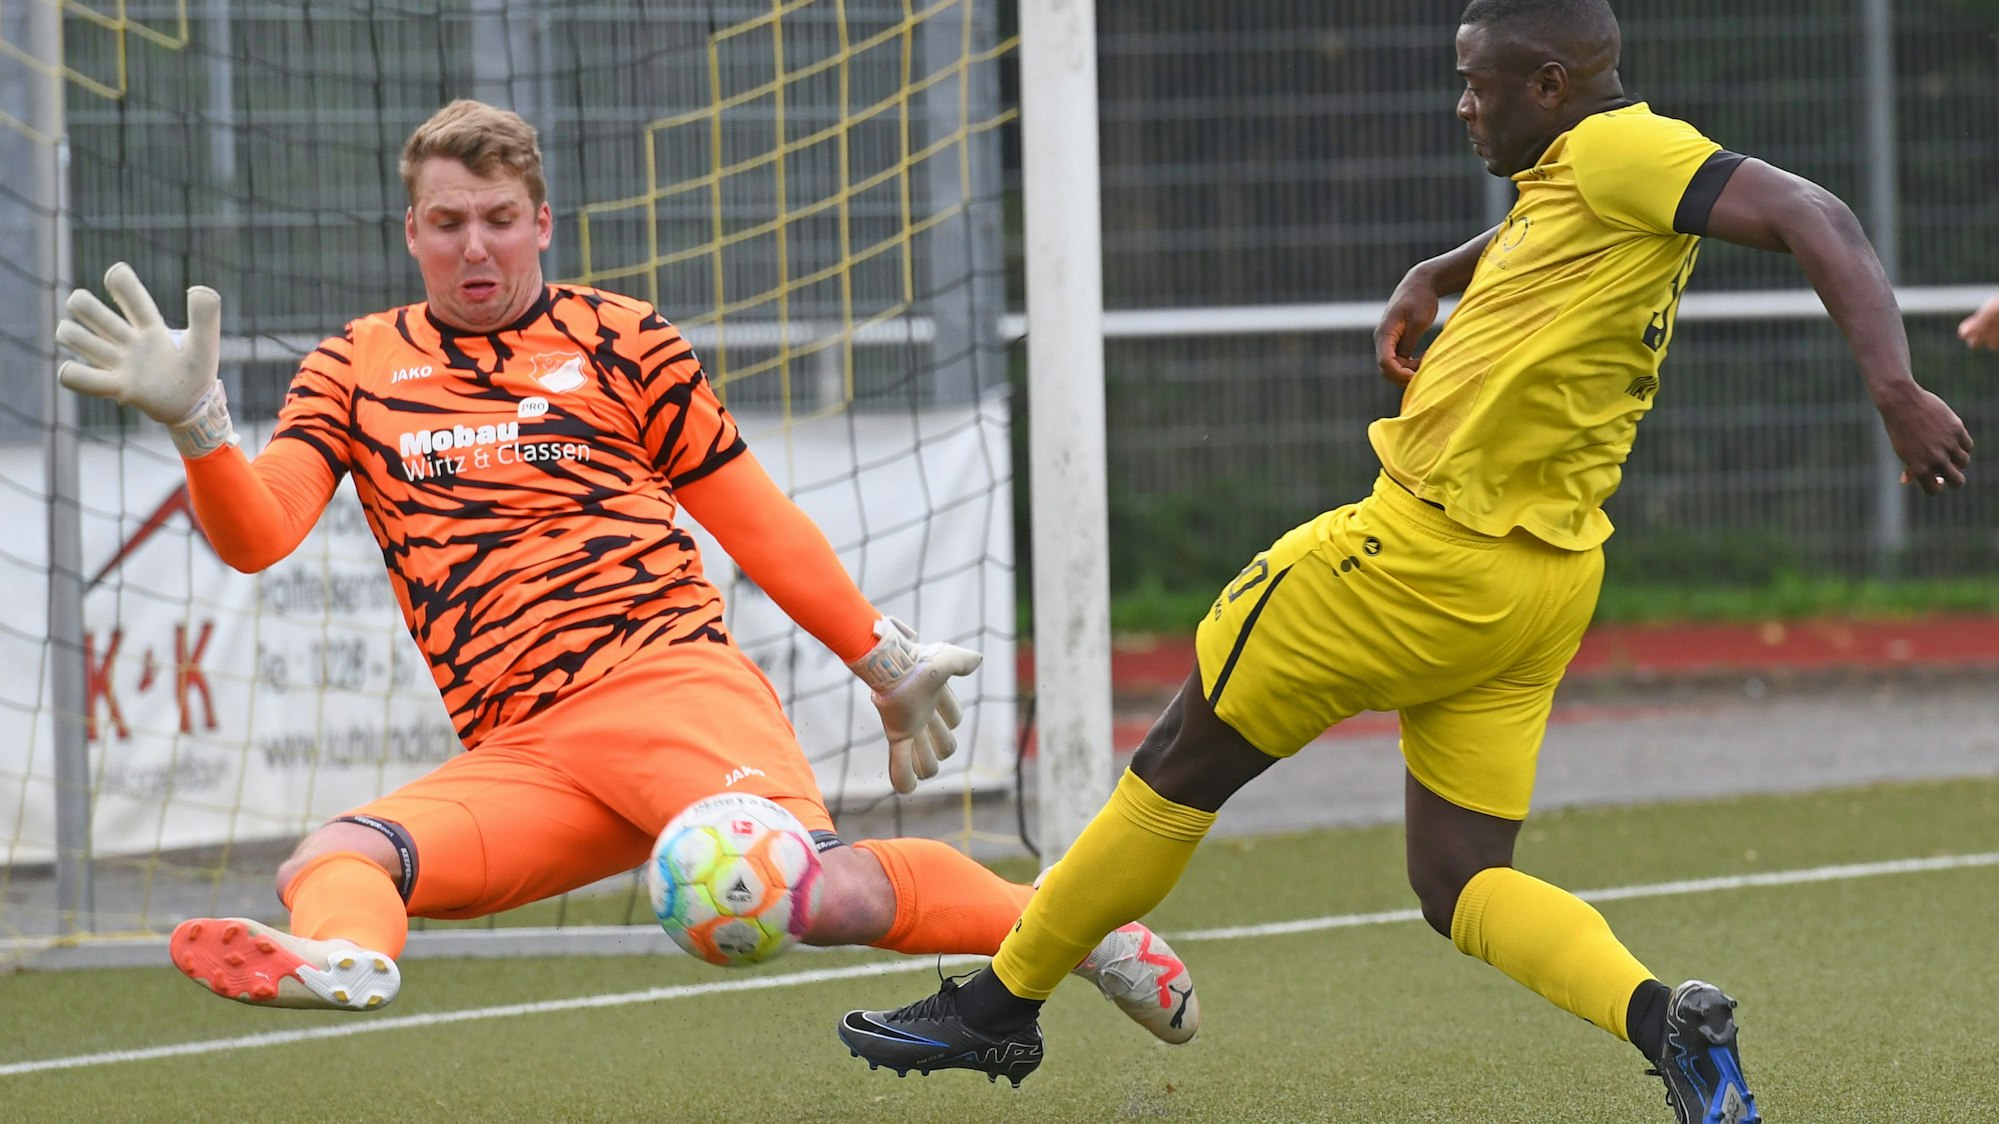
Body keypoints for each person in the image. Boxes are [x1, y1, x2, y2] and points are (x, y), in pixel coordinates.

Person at [836, 1, 1973, 1119]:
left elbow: (1815, 211)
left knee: (1180, 756)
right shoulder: (1585, 171)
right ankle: (1662, 1020)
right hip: (1536, 586)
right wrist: (1443, 265)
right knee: (1458, 877)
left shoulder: (1629, 148)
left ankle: (999, 1003)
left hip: (1414, 558)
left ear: (1551, 87)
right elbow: (1552, 218)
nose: (1463, 103)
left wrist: (1893, 386)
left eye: (1482, 81)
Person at [52, 98, 1200, 1045]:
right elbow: (259, 534)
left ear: (541, 221)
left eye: (498, 218)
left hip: (666, 688)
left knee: (826, 895)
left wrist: (881, 656)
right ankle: (347, 955)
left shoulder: (622, 338)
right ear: (411, 232)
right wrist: (202, 422)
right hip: (523, 746)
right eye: (447, 222)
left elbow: (756, 521)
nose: (474, 246)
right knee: (338, 853)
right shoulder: (353, 366)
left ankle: (1076, 929)